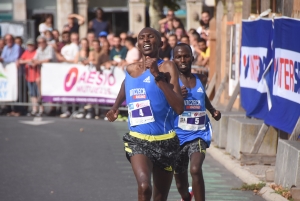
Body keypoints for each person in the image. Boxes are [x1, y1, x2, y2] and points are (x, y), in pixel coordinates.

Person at [106, 27, 184, 201]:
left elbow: (179, 108)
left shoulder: (168, 67)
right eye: (142, 38)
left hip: (166, 141)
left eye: (151, 37)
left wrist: (157, 76)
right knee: (144, 186)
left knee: (159, 196)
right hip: (138, 140)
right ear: (138, 44)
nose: (146, 40)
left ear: (160, 43)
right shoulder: (131, 69)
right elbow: (127, 84)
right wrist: (116, 106)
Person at [172, 43, 221, 201]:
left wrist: (212, 110)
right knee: (180, 182)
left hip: (199, 133)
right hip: (177, 136)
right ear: (174, 60)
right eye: (179, 57)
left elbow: (202, 97)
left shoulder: (201, 78)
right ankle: (186, 197)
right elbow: (164, 103)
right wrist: (176, 94)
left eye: (186, 56)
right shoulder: (170, 83)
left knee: (195, 169)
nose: (183, 59)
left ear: (192, 58)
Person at [17, 39, 42, 116]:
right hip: (29, 76)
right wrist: (28, 61)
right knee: (32, 94)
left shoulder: (36, 52)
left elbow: (35, 61)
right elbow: (21, 60)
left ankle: (41, 109)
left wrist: (28, 61)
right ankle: (34, 109)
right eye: (29, 45)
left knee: (39, 94)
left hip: (37, 75)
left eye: (31, 45)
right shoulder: (26, 52)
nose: (30, 47)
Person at [32, 35, 56, 116]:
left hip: (52, 72)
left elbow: (48, 59)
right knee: (38, 81)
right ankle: (41, 97)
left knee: (51, 89)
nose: (41, 44)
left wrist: (38, 62)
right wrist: (36, 61)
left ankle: (53, 108)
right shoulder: (39, 49)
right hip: (44, 73)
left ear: (45, 42)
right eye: (39, 42)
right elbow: (34, 59)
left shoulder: (50, 48)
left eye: (42, 42)